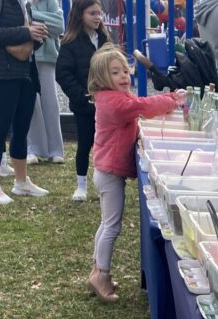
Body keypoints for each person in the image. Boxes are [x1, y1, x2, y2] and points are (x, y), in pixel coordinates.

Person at [86, 46, 186, 302]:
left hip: (105, 169)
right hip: (109, 171)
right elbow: (145, 105)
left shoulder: (112, 97)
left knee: (106, 222)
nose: (123, 76)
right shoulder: (115, 102)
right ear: (100, 78)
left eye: (124, 70)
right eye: (115, 72)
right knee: (111, 225)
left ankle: (97, 268)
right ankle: (101, 275)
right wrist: (173, 99)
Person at [0, 0, 48, 204]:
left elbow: (28, 37)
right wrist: (26, 33)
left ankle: (21, 181)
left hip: (25, 73)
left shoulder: (24, 4)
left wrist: (39, 35)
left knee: (21, 128)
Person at [56, 0, 108, 201]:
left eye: (99, 13)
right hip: (84, 106)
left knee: (104, 145)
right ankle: (81, 185)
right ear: (80, 15)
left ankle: (104, 184)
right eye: (92, 13)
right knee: (85, 143)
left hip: (106, 105)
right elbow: (63, 73)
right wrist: (81, 96)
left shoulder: (104, 39)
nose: (98, 17)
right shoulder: (70, 43)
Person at [26, 0, 65, 164]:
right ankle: (32, 148)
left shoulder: (50, 2)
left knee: (50, 103)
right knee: (31, 104)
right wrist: (42, 21)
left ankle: (55, 149)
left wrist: (31, 18)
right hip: (25, 56)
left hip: (48, 57)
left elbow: (59, 26)